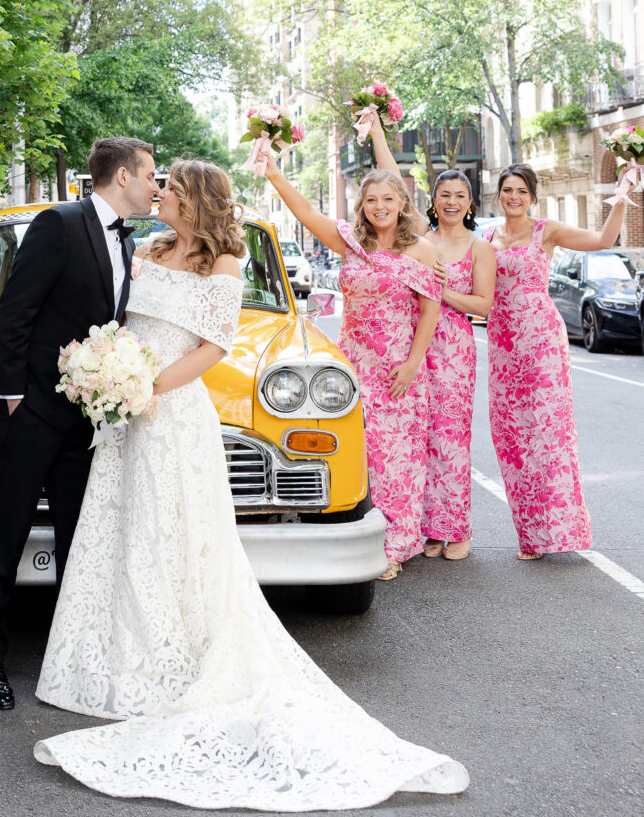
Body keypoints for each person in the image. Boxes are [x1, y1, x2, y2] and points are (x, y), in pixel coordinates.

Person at [33, 159, 469, 810]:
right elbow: (122, 323)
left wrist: (144, 387)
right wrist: (107, 369)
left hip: (171, 412)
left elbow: (212, 348)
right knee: (126, 532)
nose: (160, 194)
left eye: (171, 189)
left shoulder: (227, 264)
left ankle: (174, 660)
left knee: (175, 536)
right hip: (126, 415)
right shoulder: (147, 247)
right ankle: (118, 659)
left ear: (196, 200)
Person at [0, 137, 159, 710]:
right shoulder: (59, 221)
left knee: (79, 538)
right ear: (123, 176)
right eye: (152, 173)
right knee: (7, 532)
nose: (158, 183)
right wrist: (11, 398)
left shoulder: (128, 243)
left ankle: (66, 658)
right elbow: (18, 308)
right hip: (31, 411)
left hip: (87, 420)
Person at [262, 156, 442, 579]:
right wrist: (274, 173)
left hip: (398, 368)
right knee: (362, 454)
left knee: (397, 460)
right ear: (362, 205)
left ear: (402, 203)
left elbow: (430, 311)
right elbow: (306, 212)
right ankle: (356, 534)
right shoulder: (352, 244)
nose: (379, 206)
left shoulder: (421, 250)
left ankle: (394, 546)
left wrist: (412, 366)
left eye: (387, 199)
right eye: (370, 199)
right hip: (354, 366)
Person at [358, 107, 495, 561]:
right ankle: (422, 526)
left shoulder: (479, 248)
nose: (452, 202)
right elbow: (392, 180)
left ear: (470, 203)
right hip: (409, 341)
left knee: (450, 437)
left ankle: (455, 528)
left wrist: (437, 289)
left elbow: (482, 306)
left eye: (460, 196)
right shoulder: (419, 237)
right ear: (432, 202)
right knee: (416, 438)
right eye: (444, 195)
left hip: (453, 347)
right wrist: (378, 131)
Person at [483, 162, 623, 560]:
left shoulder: (547, 231)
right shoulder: (489, 238)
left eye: (522, 192)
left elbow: (602, 239)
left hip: (542, 342)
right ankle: (530, 536)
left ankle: (559, 532)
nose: (514, 197)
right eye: (508, 190)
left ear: (532, 196)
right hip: (502, 346)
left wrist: (621, 195)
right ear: (500, 194)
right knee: (512, 439)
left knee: (547, 436)